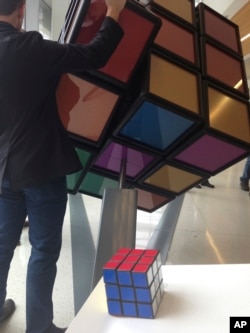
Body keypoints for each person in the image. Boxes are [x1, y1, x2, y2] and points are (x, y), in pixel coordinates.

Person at [0, 0, 126, 332]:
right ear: (22, 9)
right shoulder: (29, 47)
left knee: (0, 246)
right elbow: (93, 56)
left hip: (1, 171)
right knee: (43, 250)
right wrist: (113, 12)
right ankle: (38, 327)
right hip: (40, 166)